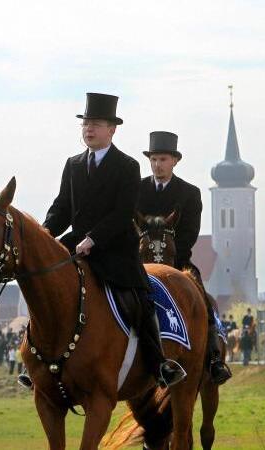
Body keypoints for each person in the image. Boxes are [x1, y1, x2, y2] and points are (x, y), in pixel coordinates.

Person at [42, 93, 186, 388]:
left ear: (112, 129)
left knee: (140, 304)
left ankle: (158, 365)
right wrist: (44, 235)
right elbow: (62, 208)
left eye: (95, 124)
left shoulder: (127, 166)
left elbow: (122, 215)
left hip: (115, 251)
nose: (88, 129)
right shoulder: (73, 164)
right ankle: (38, 362)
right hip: (75, 245)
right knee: (44, 288)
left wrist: (93, 239)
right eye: (85, 124)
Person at [136, 131, 230, 385]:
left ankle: (213, 358)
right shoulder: (137, 189)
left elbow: (189, 234)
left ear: (175, 161)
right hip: (140, 263)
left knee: (203, 301)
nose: (157, 165)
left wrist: (168, 261)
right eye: (154, 159)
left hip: (178, 262)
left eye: (163, 159)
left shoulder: (189, 193)